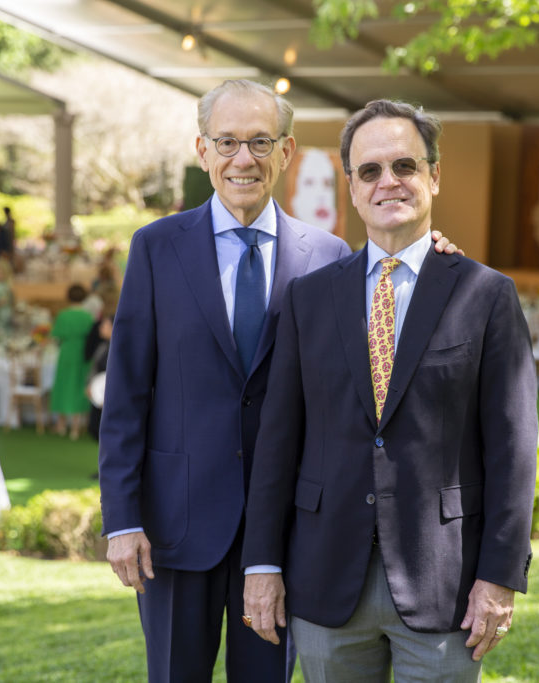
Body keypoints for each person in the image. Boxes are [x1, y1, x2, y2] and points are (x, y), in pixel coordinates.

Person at [97, 79, 458, 683]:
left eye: (261, 142)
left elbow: (389, 297)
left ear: (287, 152)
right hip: (174, 527)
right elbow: (127, 394)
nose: (245, 159)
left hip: (288, 529)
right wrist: (123, 519)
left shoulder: (331, 255)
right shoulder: (156, 249)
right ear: (202, 149)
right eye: (228, 142)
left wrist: (435, 253)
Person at [241, 99, 538, 682]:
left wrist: (500, 577)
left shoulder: (487, 295)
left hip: (444, 582)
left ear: (433, 175)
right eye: (370, 170)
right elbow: (278, 444)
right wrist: (262, 564)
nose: (388, 182)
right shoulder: (310, 299)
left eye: (404, 165)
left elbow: (514, 448)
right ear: (351, 186)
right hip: (326, 579)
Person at [50, 284, 95, 440]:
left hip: (67, 352)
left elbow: (56, 335)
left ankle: (61, 424)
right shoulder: (88, 316)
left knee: (63, 385)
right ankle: (76, 427)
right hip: (82, 353)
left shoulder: (63, 315)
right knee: (78, 386)